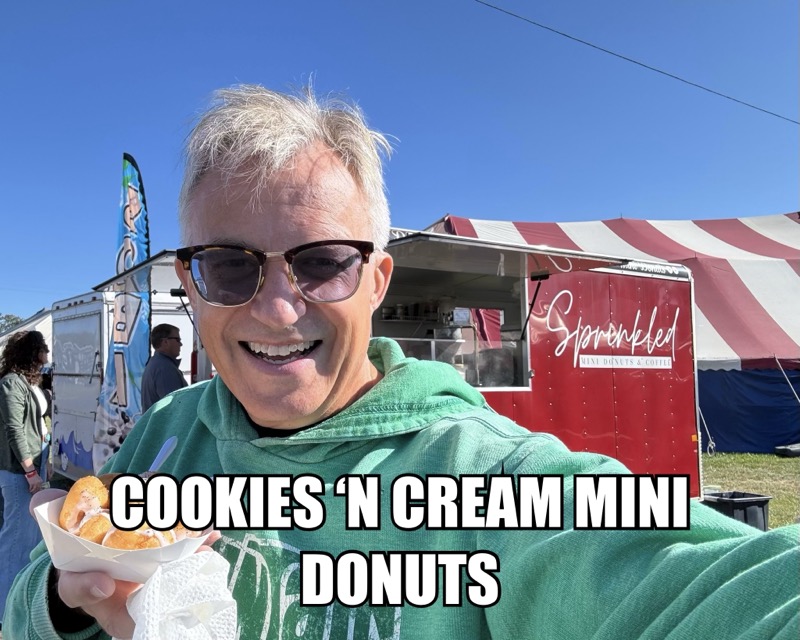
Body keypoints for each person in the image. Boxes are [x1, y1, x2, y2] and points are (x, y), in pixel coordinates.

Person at [6, 85, 799, 639]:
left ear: (377, 281)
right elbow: (29, 609)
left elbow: (714, 589)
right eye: (229, 266)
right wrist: (65, 602)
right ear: (191, 283)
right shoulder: (167, 433)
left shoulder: (486, 477)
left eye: (322, 262)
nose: (279, 308)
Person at [0, 330, 49, 626]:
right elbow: (14, 430)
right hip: (20, 471)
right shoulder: (10, 383)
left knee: (29, 539)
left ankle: (16, 602)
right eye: (44, 350)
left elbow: (37, 426)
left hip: (34, 467)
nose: (47, 356)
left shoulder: (29, 383)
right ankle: (7, 612)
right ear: (32, 352)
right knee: (16, 540)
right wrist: (31, 470)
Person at [139, 323, 187, 411]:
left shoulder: (157, 363)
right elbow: (174, 406)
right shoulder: (164, 369)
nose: (181, 344)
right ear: (165, 342)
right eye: (177, 340)